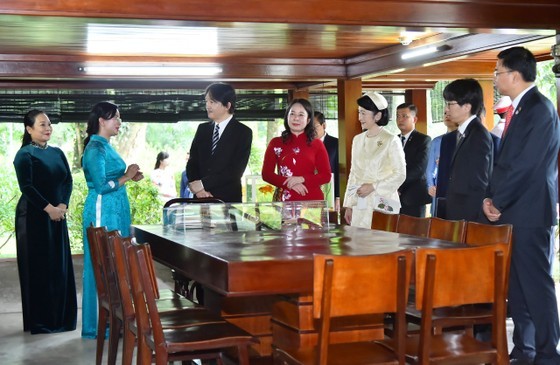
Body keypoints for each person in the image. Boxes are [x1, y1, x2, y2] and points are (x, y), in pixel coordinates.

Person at [483, 47, 560, 365]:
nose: (496, 77)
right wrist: (489, 198)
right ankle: (524, 348)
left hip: (529, 211)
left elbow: (528, 164)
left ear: (514, 75)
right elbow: (503, 164)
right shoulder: (517, 108)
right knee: (516, 284)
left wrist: (498, 200)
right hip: (512, 210)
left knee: (536, 284)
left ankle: (547, 352)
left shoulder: (540, 108)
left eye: (498, 71)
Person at [81, 101, 144, 339]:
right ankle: (100, 325)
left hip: (115, 211)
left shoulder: (106, 146)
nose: (119, 122)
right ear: (101, 121)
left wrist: (130, 176)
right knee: (103, 264)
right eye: (115, 117)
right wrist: (126, 176)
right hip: (102, 211)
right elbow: (100, 186)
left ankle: (117, 322)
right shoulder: (95, 149)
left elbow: (113, 177)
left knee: (117, 264)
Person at [13, 110, 77, 334]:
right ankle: (41, 322)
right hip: (33, 217)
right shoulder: (24, 155)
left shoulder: (58, 153)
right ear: (29, 129)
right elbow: (27, 187)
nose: (47, 128)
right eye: (42, 125)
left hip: (57, 215)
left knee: (58, 266)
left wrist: (62, 206)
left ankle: (62, 319)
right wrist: (49, 208)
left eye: (49, 124)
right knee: (39, 267)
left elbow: (68, 180)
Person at [343, 92, 406, 228]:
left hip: (384, 203)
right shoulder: (357, 139)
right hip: (360, 202)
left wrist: (373, 187)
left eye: (363, 113)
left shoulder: (391, 139)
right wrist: (349, 204)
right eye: (359, 113)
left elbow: (400, 174)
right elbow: (353, 174)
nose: (360, 118)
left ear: (377, 115)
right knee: (359, 244)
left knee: (382, 244)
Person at [187, 82, 252, 202]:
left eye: (212, 102)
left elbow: (235, 171)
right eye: (206, 101)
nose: (208, 106)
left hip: (227, 200)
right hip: (201, 199)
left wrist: (203, 184)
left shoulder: (243, 132)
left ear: (227, 105)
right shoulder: (202, 129)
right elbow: (192, 162)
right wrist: (199, 190)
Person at [441, 78, 493, 221]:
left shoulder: (478, 135)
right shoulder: (464, 132)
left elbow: (479, 182)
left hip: (469, 214)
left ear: (467, 107)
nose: (446, 109)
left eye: (450, 104)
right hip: (458, 210)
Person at [262, 98, 331, 201]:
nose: (296, 118)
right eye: (292, 114)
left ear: (308, 120)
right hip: (285, 199)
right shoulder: (275, 143)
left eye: (301, 115)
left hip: (311, 200)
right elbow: (266, 174)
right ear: (287, 117)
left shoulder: (317, 144)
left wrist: (301, 179)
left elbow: (326, 176)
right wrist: (290, 184)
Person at [396, 103, 432, 217]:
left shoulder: (423, 140)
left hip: (413, 196)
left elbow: (419, 169)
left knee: (413, 233)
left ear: (414, 119)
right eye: (397, 116)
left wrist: (397, 185)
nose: (400, 119)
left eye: (404, 116)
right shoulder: (394, 140)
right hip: (393, 197)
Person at [425, 111, 458, 216]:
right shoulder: (437, 141)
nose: (447, 115)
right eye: (444, 113)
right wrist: (430, 185)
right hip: (439, 189)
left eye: (450, 113)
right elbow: (429, 169)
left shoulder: (465, 140)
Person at [313, 111, 339, 209]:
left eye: (315, 127)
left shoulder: (336, 144)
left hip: (329, 192)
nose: (311, 131)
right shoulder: (305, 145)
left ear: (324, 125)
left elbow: (339, 172)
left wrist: (338, 196)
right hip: (310, 192)